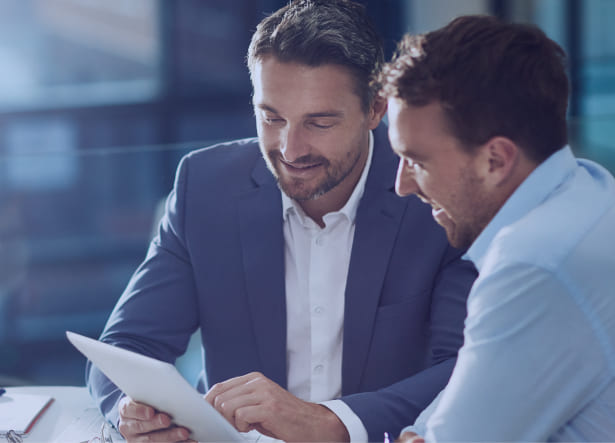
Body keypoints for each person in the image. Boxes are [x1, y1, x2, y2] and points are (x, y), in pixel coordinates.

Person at [86, 1, 476, 442]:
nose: (291, 149)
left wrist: (332, 422)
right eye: (271, 118)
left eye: (320, 122)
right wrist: (131, 410)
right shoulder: (205, 188)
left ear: (375, 109)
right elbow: (123, 347)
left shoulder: (432, 196)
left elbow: (465, 369)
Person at [379, 14, 615, 442]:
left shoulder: (535, 265)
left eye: (416, 160)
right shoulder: (589, 190)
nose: (402, 185)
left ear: (496, 161)